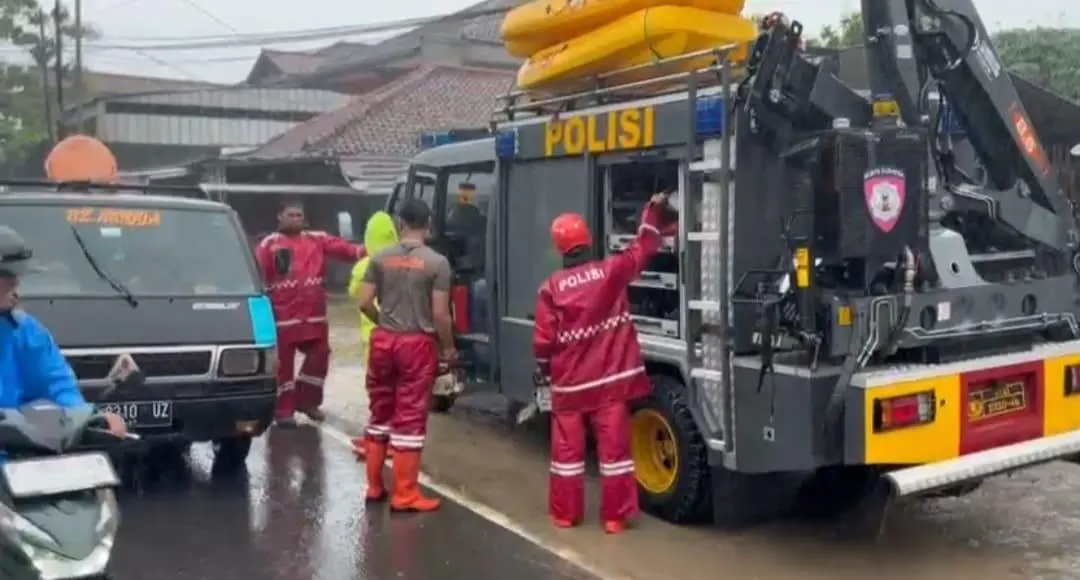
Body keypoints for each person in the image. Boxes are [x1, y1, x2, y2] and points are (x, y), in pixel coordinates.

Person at [532, 192, 672, 534]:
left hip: (570, 386)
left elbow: (543, 342)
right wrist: (652, 211)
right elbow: (642, 249)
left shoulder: (551, 289)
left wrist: (545, 371)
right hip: (610, 384)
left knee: (567, 456)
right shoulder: (611, 271)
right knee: (615, 453)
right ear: (588, 240)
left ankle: (566, 515)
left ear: (559, 248)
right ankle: (615, 518)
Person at [355, 198, 454, 512]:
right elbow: (440, 314)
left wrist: (382, 322)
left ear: (400, 224)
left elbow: (364, 301)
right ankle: (405, 494)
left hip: (383, 340)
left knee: (379, 412)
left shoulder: (380, 257)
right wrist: (448, 347)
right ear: (428, 224)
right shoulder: (437, 263)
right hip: (416, 344)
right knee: (409, 417)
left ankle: (374, 487)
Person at [0, 226, 126, 435]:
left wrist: (89, 417)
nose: (17, 287)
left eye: (18, 278)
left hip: (14, 450)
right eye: (9, 278)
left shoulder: (25, 331)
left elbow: (57, 382)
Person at [256, 202, 366, 425]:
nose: (295, 219)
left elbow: (351, 251)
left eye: (299, 215)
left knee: (320, 355)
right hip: (283, 318)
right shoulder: (268, 245)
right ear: (280, 216)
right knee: (283, 366)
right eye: (291, 214)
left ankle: (307, 401)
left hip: (314, 316)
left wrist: (379, 247)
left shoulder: (318, 239)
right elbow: (258, 278)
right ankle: (284, 411)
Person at [346, 211, 399, 460]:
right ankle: (382, 436)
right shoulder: (404, 262)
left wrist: (381, 322)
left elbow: (356, 296)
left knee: (378, 392)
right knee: (397, 390)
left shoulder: (363, 267)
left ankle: (382, 440)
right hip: (402, 337)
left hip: (375, 338)